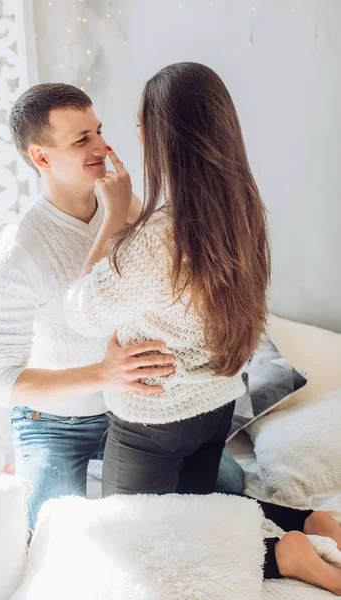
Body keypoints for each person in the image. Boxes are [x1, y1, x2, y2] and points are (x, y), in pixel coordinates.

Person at [63, 62, 341, 594]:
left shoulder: (158, 238)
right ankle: (306, 522)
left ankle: (283, 555)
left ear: (163, 139)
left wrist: (114, 216)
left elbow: (81, 311)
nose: (134, 138)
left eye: (141, 126)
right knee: (196, 513)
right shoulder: (242, 212)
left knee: (129, 543)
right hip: (214, 407)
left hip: (154, 424)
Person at [0, 83, 176, 532]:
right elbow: (0, 381)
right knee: (55, 534)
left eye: (99, 131)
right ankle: (25, 461)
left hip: (124, 411)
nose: (102, 147)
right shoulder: (17, 253)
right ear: (42, 158)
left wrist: (129, 214)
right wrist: (102, 374)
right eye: (80, 139)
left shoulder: (126, 209)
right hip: (52, 422)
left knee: (226, 483)